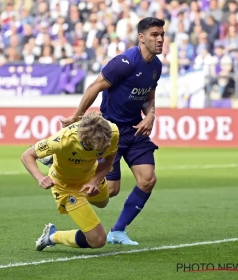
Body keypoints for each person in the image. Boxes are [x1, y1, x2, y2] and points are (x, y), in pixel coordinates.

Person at [44, 17, 164, 245]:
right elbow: (95, 87)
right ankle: (60, 167)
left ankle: (118, 231)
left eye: (161, 35)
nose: (159, 39)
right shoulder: (124, 62)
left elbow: (149, 98)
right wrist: (77, 117)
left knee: (148, 180)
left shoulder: (156, 66)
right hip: (110, 132)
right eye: (154, 35)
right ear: (142, 37)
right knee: (111, 190)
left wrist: (151, 115)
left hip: (135, 129)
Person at [21, 112, 119, 251]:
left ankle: (53, 161)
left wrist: (94, 181)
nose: (104, 149)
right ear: (84, 141)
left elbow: (108, 161)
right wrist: (41, 177)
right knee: (98, 241)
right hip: (65, 186)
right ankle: (53, 236)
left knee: (103, 202)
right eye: (98, 148)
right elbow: (27, 155)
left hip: (90, 177)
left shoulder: (112, 132)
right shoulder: (62, 140)